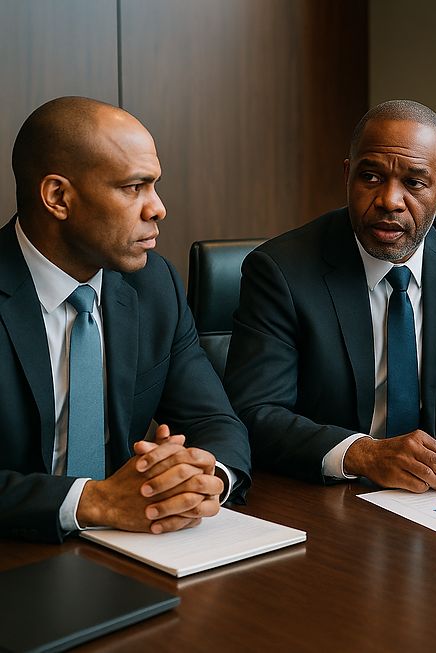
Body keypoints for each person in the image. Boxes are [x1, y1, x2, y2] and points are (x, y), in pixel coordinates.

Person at [224, 100, 436, 492]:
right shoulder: (280, 270)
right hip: (328, 493)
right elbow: (254, 412)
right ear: (348, 175)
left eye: (415, 183)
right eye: (370, 177)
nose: (389, 200)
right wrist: (363, 454)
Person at [0, 97, 251, 543]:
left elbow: (217, 422)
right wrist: (94, 501)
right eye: (134, 187)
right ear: (59, 197)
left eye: (154, 186)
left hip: (132, 545)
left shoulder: (155, 284)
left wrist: (202, 478)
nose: (157, 208)